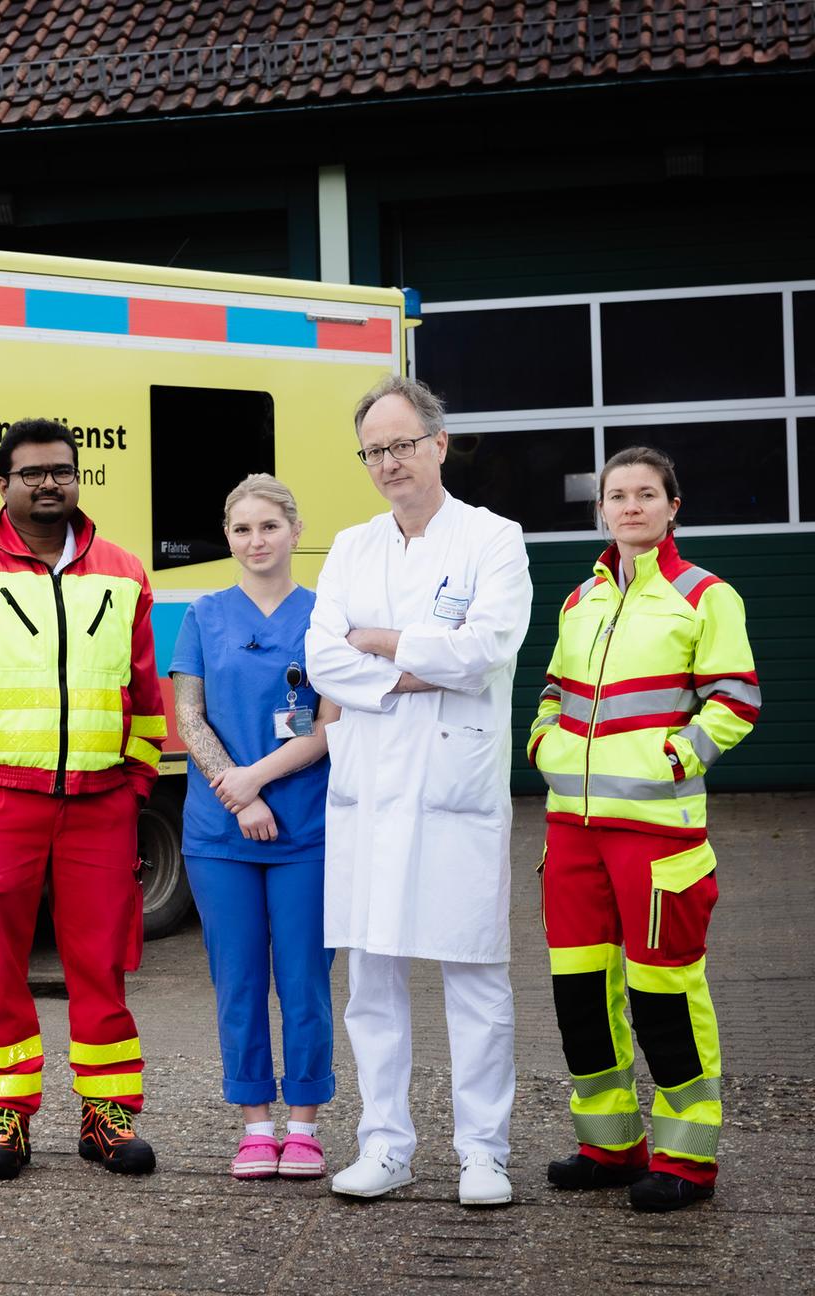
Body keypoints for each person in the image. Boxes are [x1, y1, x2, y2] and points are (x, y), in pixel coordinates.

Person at [0, 418, 166, 1181]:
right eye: (32, 473)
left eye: (61, 471)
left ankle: (107, 1114)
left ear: (78, 479)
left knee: (102, 964)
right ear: (4, 483)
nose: (48, 483)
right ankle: (4, 1116)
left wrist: (138, 780)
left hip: (101, 802)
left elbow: (143, 688)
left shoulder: (124, 571)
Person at [305, 376, 532, 1206]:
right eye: (375, 450)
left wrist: (385, 646)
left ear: (439, 444)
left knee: (475, 974)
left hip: (454, 789)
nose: (390, 462)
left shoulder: (494, 539)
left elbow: (488, 648)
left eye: (403, 444)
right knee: (372, 978)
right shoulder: (351, 545)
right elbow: (324, 658)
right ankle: (386, 1145)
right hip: (371, 791)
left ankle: (483, 1152)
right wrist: (413, 667)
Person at [527, 445, 759, 1212]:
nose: (630, 505)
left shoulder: (705, 596)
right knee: (581, 994)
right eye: (617, 494)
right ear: (601, 510)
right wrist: (541, 742)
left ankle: (688, 1162)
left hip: (658, 835)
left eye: (646, 493)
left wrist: (675, 755)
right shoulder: (578, 600)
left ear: (672, 506)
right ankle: (610, 1146)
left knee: (663, 994)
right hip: (574, 834)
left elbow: (735, 700)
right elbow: (555, 692)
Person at [171, 475, 338, 1180]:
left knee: (305, 980)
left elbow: (333, 724)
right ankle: (254, 1123)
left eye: (268, 526)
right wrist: (239, 798)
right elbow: (189, 716)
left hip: (307, 829)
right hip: (220, 836)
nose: (255, 541)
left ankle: (303, 1124)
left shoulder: (327, 616)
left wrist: (259, 781)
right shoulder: (204, 615)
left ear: (296, 531)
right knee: (237, 980)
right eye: (241, 530)